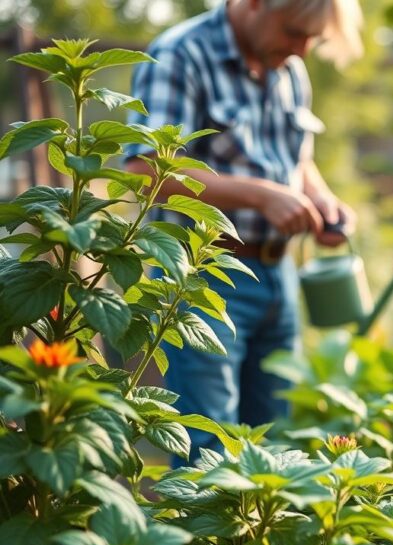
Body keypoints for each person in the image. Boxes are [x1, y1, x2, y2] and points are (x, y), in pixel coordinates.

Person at [123, 0, 363, 464]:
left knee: (273, 449)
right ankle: (206, 541)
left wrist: (321, 200)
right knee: (209, 452)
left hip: (278, 276)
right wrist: (260, 195)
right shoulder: (181, 54)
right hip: (202, 278)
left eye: (312, 39)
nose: (302, 50)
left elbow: (299, 160)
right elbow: (146, 170)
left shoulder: (288, 68)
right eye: (295, 32)